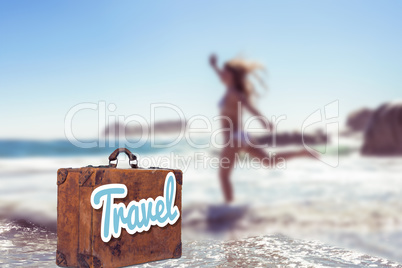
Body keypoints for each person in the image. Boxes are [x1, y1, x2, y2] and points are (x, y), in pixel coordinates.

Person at [210, 54, 313, 203]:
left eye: (226, 72)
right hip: (242, 136)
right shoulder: (230, 88)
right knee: (268, 161)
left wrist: (263, 121)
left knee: (223, 176)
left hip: (234, 138)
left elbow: (249, 106)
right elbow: (222, 76)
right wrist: (214, 66)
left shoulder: (234, 93)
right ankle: (301, 152)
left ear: (232, 75)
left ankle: (228, 209)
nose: (222, 74)